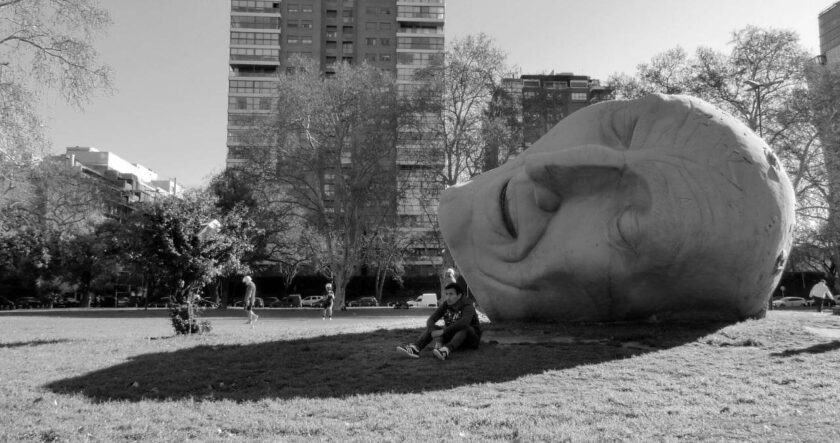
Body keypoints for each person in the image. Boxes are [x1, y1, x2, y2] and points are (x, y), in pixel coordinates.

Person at [396, 282, 482, 361]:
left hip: (471, 340)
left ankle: (445, 351)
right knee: (434, 327)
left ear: (459, 296)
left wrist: (443, 332)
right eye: (447, 294)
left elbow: (464, 322)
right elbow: (431, 319)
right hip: (454, 337)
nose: (448, 297)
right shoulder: (446, 304)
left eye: (451, 294)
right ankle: (415, 348)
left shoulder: (467, 305)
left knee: (465, 327)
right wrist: (433, 332)